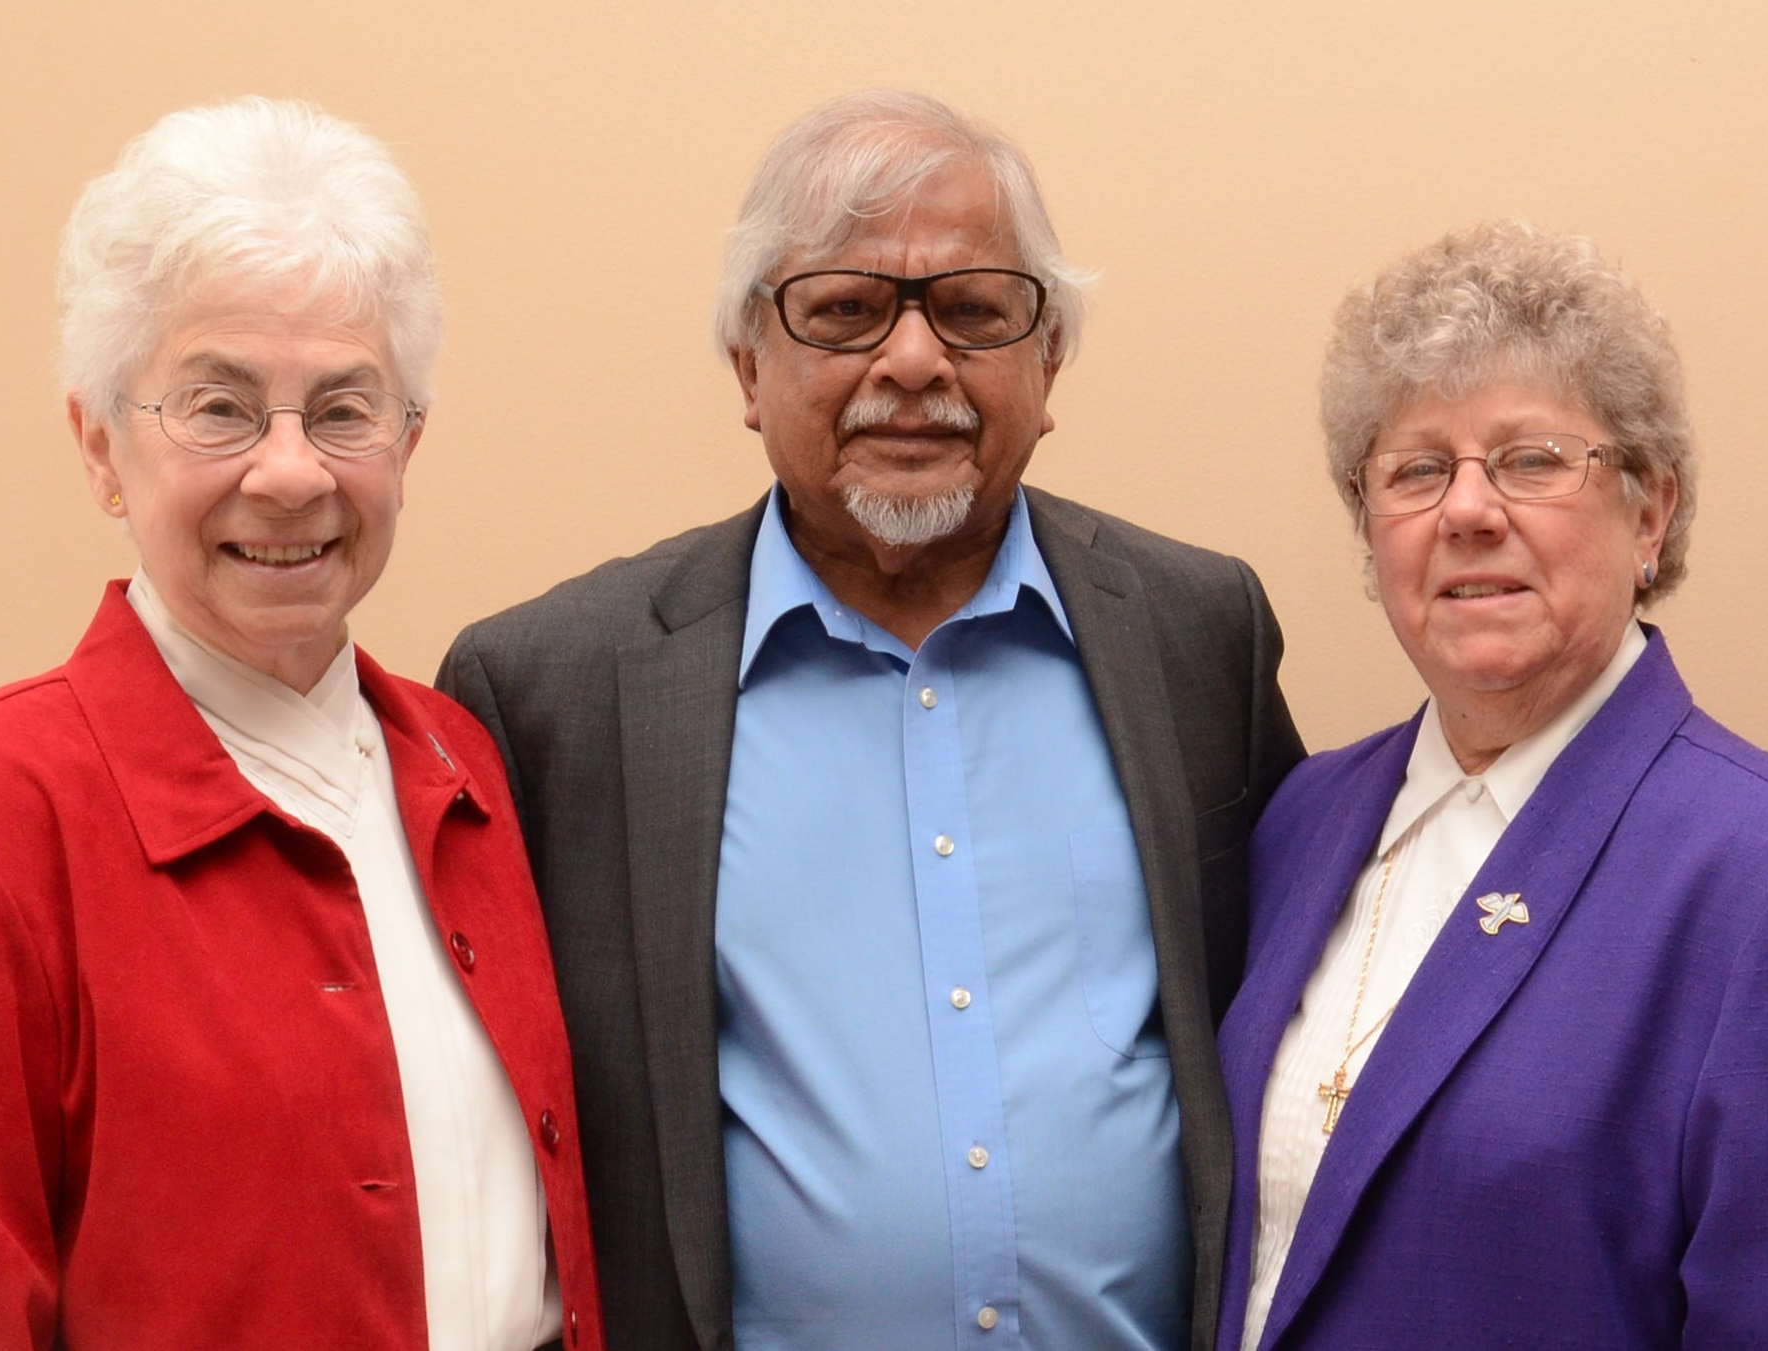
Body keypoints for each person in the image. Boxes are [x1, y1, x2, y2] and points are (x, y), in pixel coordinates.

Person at [439, 89, 1304, 1351]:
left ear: (1048, 360)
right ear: (748, 363)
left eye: (974, 310)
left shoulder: (1196, 633)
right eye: (843, 310)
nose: (913, 363)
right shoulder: (554, 690)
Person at [0, 97, 604, 1350]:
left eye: (344, 408)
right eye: (217, 408)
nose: (290, 472)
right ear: (101, 445)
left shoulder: (463, 762)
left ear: (409, 440)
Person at [1217, 219, 1768, 1350]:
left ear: (1649, 509)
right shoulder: (1301, 818)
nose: (1468, 510)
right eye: (1417, 469)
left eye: (1532, 460)